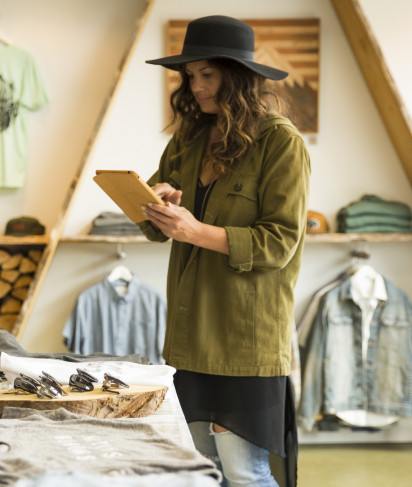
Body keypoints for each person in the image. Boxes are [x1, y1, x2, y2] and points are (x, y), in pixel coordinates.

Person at [141, 15, 310, 487]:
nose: (195, 86)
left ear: (237, 76)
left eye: (207, 74)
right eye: (190, 76)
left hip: (246, 339)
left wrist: (196, 230)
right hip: (190, 335)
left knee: (244, 472)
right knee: (202, 470)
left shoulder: (281, 142)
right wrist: (157, 205)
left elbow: (278, 242)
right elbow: (159, 230)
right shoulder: (190, 137)